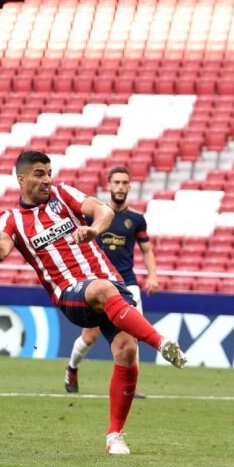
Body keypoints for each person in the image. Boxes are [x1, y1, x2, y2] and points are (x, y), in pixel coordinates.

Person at [0, 151, 187, 456]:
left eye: (49, 173)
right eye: (39, 174)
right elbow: (0, 251)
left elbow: (103, 211)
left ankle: (115, 436)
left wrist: (93, 230)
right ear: (21, 179)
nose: (47, 180)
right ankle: (161, 342)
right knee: (101, 290)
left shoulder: (62, 194)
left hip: (110, 285)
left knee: (127, 350)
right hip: (70, 293)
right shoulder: (12, 219)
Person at [64, 166, 159, 394]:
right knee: (89, 337)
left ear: (130, 186)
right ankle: (72, 368)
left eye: (124, 182)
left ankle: (130, 387)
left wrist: (153, 275)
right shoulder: (95, 215)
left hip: (127, 284)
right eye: (116, 182)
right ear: (108, 185)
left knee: (133, 335)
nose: (120, 187)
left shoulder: (136, 219)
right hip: (98, 284)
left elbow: (146, 250)